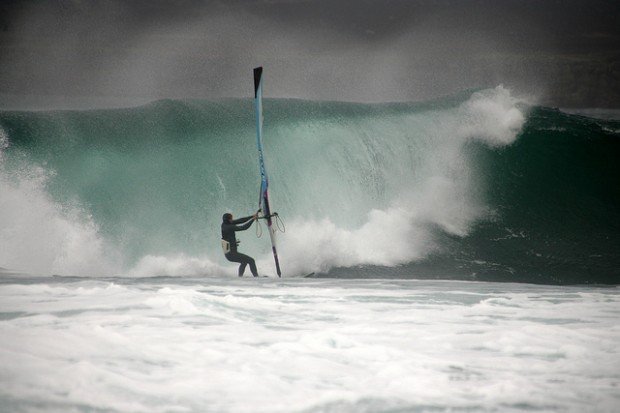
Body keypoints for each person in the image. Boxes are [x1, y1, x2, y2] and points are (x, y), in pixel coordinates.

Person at [221, 212, 259, 277]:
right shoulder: (229, 227)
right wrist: (253, 219)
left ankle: (240, 277)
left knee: (244, 262)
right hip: (231, 254)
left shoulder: (224, 224)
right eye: (231, 219)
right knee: (251, 261)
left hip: (230, 254)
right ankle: (256, 277)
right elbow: (243, 227)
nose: (232, 220)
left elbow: (240, 220)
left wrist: (252, 216)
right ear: (228, 219)